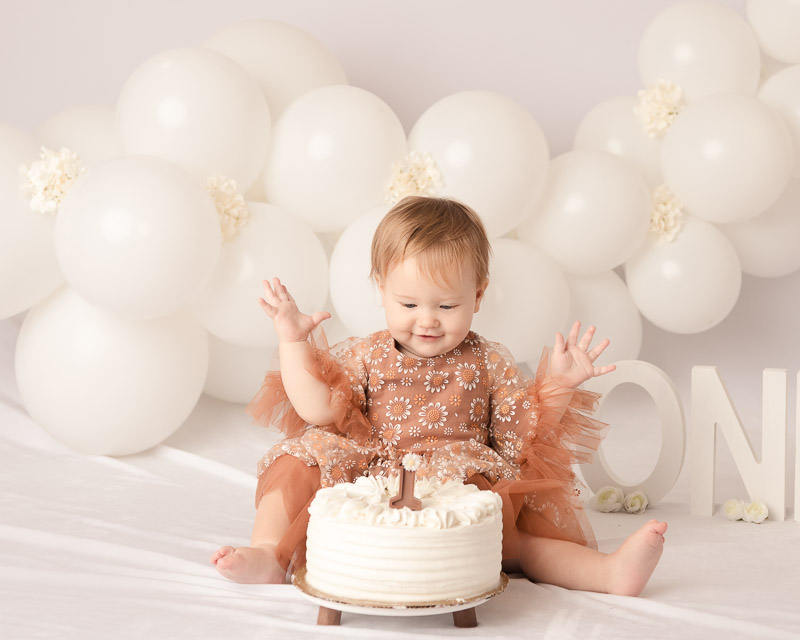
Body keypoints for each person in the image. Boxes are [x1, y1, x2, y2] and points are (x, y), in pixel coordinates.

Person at [212, 196, 667, 597]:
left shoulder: (488, 361)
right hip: (369, 471)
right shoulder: (368, 354)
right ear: (381, 289)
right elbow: (316, 409)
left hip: (456, 479)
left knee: (512, 546)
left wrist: (559, 386)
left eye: (447, 305)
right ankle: (270, 554)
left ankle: (607, 574)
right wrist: (293, 343)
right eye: (408, 304)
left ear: (479, 295)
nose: (427, 320)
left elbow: (522, 435)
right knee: (296, 462)